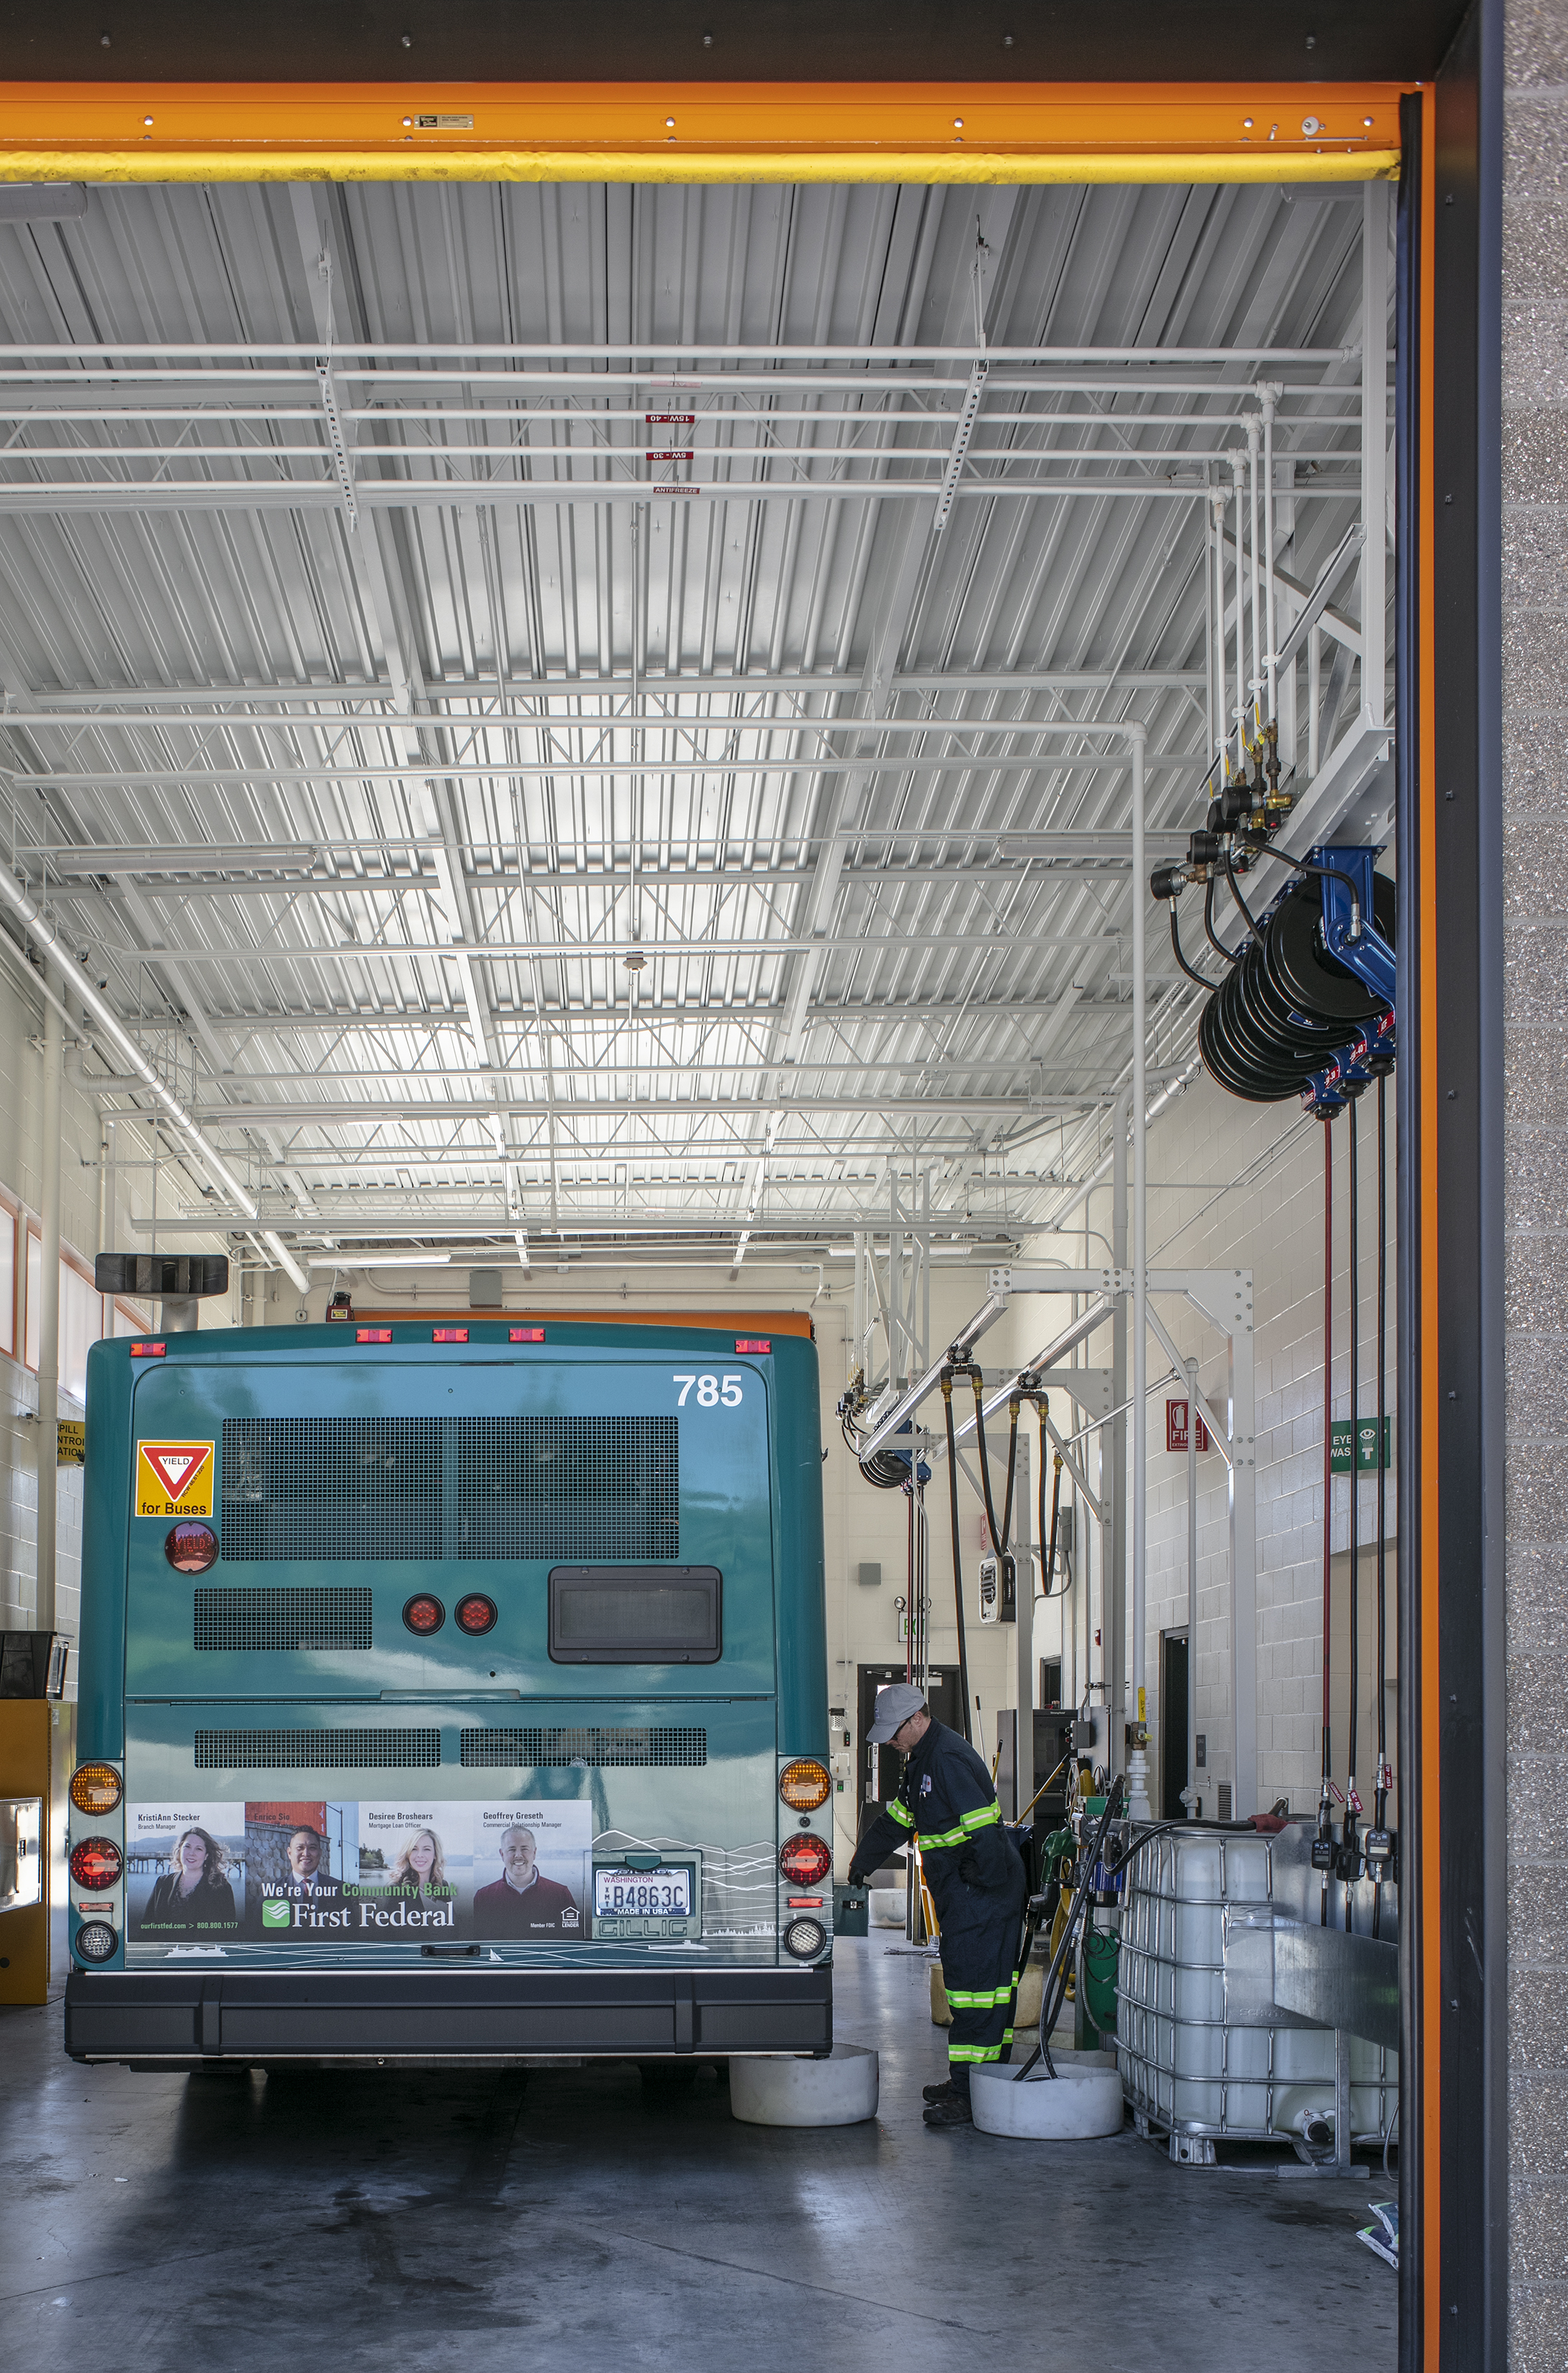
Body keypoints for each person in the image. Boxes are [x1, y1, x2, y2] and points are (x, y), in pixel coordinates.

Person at [847, 1683, 1027, 2129]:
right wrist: (862, 1863)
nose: (889, 1741)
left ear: (917, 1719)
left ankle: (970, 2094)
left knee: (977, 1996)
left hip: (982, 1896)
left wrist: (980, 1882)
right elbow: (899, 1821)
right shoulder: (921, 1761)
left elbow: (985, 1830)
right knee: (976, 1995)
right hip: (965, 1895)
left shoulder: (947, 1759)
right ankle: (977, 2080)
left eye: (894, 1731)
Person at [472, 1824, 580, 1938]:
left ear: (534, 1853)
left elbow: (574, 1940)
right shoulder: (483, 1897)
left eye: (524, 1849)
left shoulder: (560, 1894)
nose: (518, 1855)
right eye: (512, 1849)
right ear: (502, 1854)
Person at [139, 1824, 238, 1935]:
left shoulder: (221, 1888)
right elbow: (147, 1925)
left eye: (199, 1849)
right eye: (187, 1847)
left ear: (206, 1856)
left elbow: (228, 1932)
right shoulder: (162, 1883)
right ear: (180, 1850)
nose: (192, 1853)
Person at [387, 1827, 451, 1907]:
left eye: (427, 1849)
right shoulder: (395, 1888)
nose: (420, 1855)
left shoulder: (442, 1885)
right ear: (408, 1854)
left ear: (435, 1854)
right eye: (414, 1849)